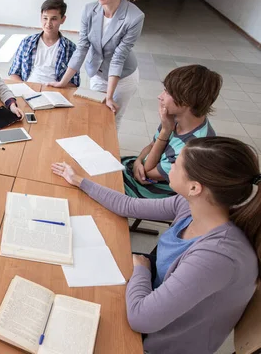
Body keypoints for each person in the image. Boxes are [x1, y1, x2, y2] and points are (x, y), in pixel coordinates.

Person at [51, 136, 261, 354]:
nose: (168, 165)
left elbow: (141, 319)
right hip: (153, 299)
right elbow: (129, 205)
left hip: (157, 342)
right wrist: (80, 181)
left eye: (177, 164)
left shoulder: (218, 256)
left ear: (195, 187)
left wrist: (141, 269)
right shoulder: (192, 205)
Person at [49, 0, 144, 129]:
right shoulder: (89, 10)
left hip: (122, 77)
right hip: (98, 73)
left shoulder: (135, 17)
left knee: (112, 118)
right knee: (94, 115)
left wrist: (109, 96)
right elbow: (82, 47)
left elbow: (119, 57)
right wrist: (63, 81)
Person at [123, 65, 221, 199]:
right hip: (144, 168)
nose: (160, 96)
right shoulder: (176, 118)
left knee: (104, 184)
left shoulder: (194, 147)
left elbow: (148, 172)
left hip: (160, 191)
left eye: (167, 92)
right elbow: (152, 145)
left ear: (187, 100)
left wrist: (165, 131)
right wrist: (138, 161)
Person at [8, 0, 80, 86]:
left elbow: (74, 83)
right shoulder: (27, 42)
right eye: (45, 18)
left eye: (54, 19)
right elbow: (14, 73)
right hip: (27, 89)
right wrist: (23, 87)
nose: (48, 23)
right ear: (41, 17)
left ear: (63, 19)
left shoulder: (70, 48)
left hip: (55, 92)